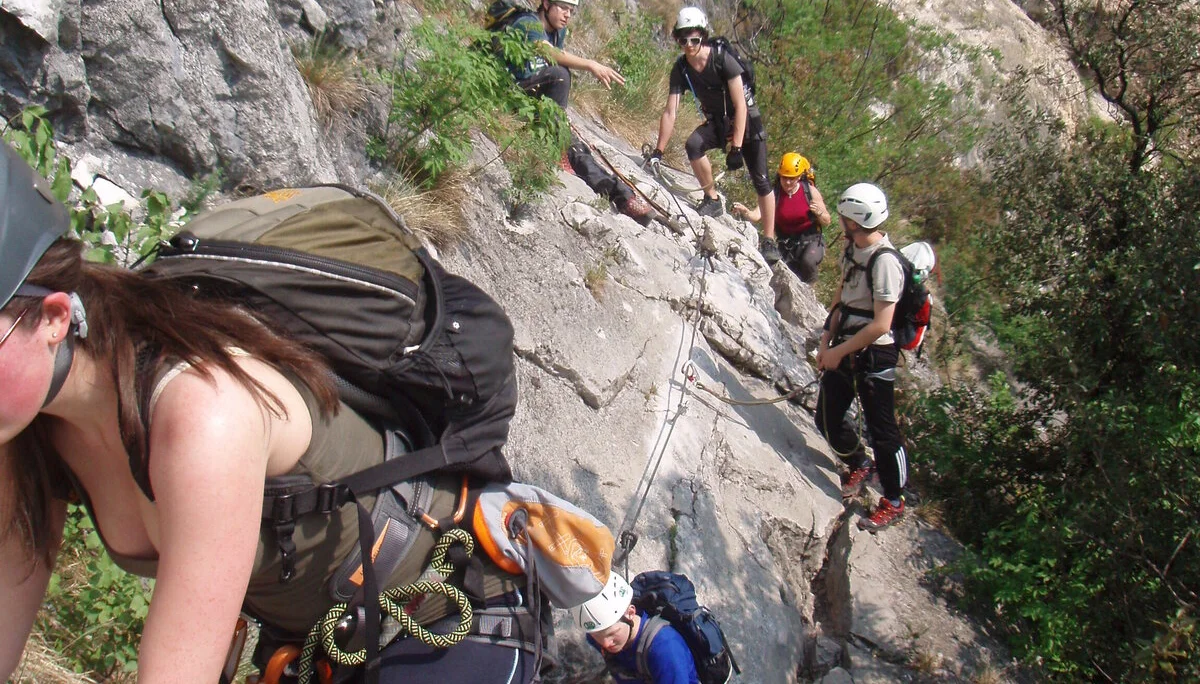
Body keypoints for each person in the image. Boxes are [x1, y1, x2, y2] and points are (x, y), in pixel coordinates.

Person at [0, 143, 539, 683]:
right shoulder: (29, 429)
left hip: (449, 628)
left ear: (52, 318)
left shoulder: (202, 411)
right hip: (327, 644)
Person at [497, 0, 655, 225]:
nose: (567, 15)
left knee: (578, 151)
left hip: (536, 107)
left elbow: (555, 52)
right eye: (562, 7)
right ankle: (556, 144)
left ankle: (623, 197)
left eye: (571, 10)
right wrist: (591, 64)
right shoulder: (528, 23)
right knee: (561, 74)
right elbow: (547, 52)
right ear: (546, 4)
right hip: (511, 96)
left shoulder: (556, 33)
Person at [647, 7, 779, 263]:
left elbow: (741, 105)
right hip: (718, 122)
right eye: (682, 39)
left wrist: (737, 148)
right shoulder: (681, 69)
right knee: (694, 145)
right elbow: (670, 111)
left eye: (694, 39)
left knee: (761, 179)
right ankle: (712, 198)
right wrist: (658, 151)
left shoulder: (722, 60)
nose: (688, 45)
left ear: (703, 37)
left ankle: (769, 239)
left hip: (746, 119)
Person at [814, 182, 909, 532]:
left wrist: (837, 351)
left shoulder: (885, 262)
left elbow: (882, 323)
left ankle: (895, 499)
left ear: (853, 221)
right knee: (826, 417)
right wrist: (827, 342)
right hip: (844, 340)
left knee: (882, 430)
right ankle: (858, 462)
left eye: (843, 216)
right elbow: (842, 299)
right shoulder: (852, 248)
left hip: (875, 353)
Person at [571, 572, 699, 684]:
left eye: (612, 634)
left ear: (630, 613)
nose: (606, 643)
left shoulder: (666, 650)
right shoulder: (597, 631)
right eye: (597, 635)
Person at [732, 152, 831, 283]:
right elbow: (757, 215)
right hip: (786, 244)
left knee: (808, 261)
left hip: (811, 240)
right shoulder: (774, 193)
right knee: (780, 274)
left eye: (792, 178)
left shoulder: (810, 191)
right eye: (784, 178)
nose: (788, 182)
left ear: (800, 177)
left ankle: (809, 293)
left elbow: (827, 221)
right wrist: (745, 211)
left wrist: (818, 213)